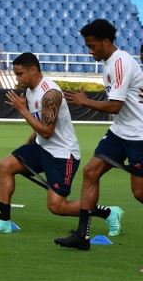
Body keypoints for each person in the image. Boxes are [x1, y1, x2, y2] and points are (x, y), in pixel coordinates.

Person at [0, 53, 122, 235]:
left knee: (57, 206)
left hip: (62, 154)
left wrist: (22, 110)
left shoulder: (50, 94)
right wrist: (27, 147)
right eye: (16, 74)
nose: (17, 78)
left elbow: (47, 130)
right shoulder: (30, 91)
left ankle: (109, 212)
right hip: (41, 147)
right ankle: (3, 222)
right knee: (5, 165)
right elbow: (39, 126)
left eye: (20, 74)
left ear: (33, 70)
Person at [55, 19, 143, 250]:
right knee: (91, 172)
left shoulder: (120, 63)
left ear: (106, 41)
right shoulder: (109, 62)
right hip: (120, 131)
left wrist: (86, 102)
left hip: (138, 135)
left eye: (93, 45)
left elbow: (115, 106)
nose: (90, 50)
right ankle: (82, 237)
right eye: (87, 46)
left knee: (140, 192)